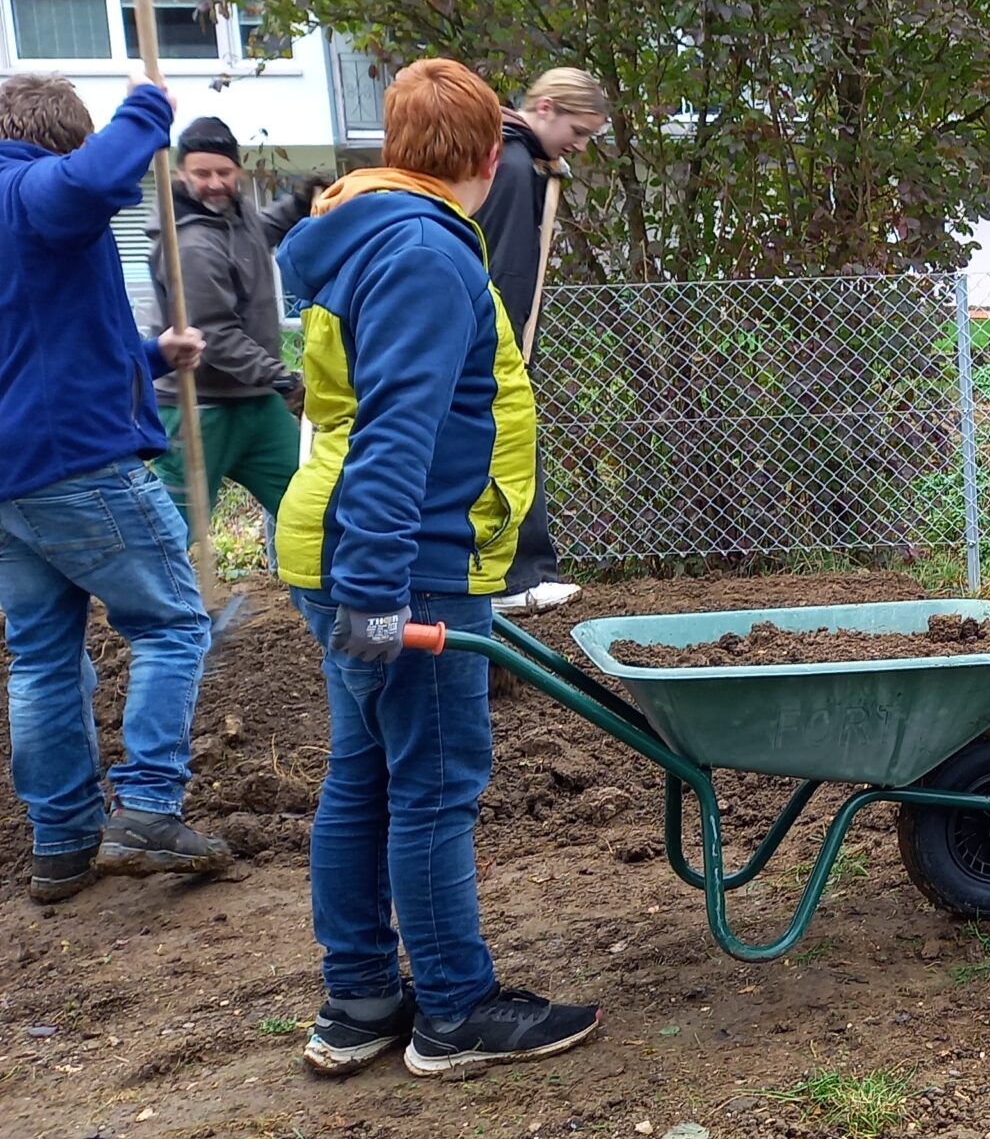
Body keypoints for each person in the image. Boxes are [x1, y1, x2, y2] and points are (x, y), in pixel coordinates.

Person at [276, 57, 599, 1078]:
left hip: (351, 542)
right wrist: (376, 593)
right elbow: (397, 436)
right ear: (473, 153)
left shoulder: (368, 232)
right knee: (433, 783)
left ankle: (361, 999)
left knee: (365, 775)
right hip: (401, 558)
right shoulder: (422, 252)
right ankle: (455, 1009)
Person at [0, 71, 232, 903]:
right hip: (76, 468)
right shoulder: (28, 188)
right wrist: (149, 108)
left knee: (42, 658)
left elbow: (28, 348)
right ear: (61, 140)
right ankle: (147, 809)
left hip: (12, 481)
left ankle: (60, 842)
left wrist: (147, 359)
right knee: (172, 624)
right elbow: (96, 179)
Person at [481, 66, 608, 615]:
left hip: (497, 334)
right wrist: (506, 347)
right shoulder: (510, 167)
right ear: (547, 108)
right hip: (496, 338)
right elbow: (506, 266)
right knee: (509, 446)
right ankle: (517, 577)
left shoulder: (520, 160)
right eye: (577, 132)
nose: (578, 147)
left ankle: (518, 573)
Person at [148, 116, 313, 519]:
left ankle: (317, 578)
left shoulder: (234, 217)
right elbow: (214, 335)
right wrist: (281, 378)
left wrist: (299, 203)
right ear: (181, 174)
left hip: (253, 403)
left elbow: (260, 230)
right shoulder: (189, 243)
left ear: (237, 171)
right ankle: (170, 583)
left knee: (311, 506)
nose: (214, 183)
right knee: (178, 530)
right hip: (197, 406)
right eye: (201, 173)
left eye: (223, 172)